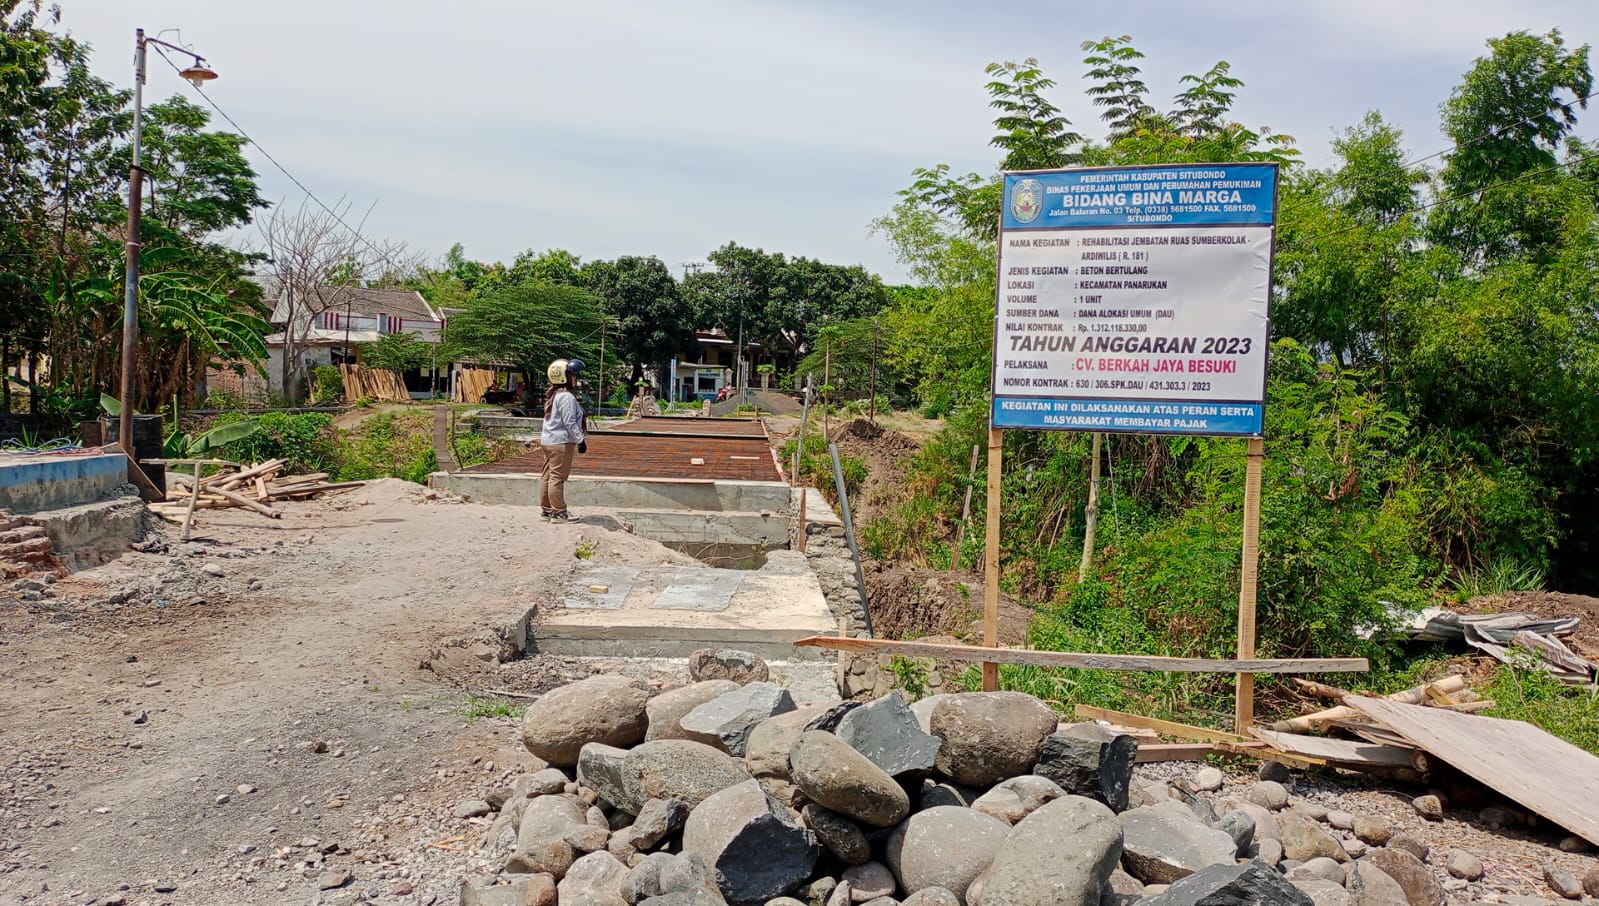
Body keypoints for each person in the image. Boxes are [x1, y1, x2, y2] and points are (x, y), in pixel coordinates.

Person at [540, 357, 587, 522]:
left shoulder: (554, 395)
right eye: (572, 375)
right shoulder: (566, 397)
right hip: (560, 442)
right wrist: (580, 440)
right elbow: (569, 422)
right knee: (557, 477)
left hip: (548, 440)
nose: (575, 378)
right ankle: (559, 512)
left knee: (547, 475)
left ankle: (547, 510)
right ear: (564, 377)